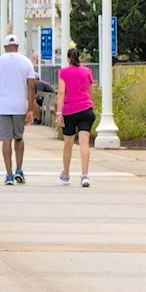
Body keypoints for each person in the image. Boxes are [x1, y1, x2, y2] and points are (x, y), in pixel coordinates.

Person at [0, 34, 40, 186]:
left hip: (3, 107)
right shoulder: (26, 62)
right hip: (19, 106)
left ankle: (9, 174)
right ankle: (19, 169)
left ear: (4, 47)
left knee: (6, 140)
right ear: (17, 47)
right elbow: (31, 86)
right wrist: (30, 109)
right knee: (19, 137)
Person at [56, 47, 97, 187]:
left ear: (68, 59)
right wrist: (89, 104)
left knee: (68, 143)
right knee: (84, 142)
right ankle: (85, 175)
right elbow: (90, 90)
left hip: (69, 111)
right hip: (86, 109)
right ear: (79, 58)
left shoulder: (63, 72)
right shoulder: (87, 71)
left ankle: (66, 174)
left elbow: (61, 92)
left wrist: (59, 112)